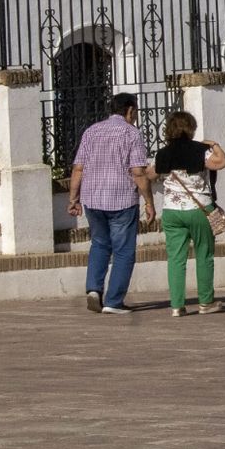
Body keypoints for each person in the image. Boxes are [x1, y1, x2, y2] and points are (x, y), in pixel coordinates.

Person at [67, 92, 154, 314]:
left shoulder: (91, 131)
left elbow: (78, 168)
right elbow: (138, 172)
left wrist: (73, 199)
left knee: (99, 244)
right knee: (124, 251)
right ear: (130, 110)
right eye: (135, 111)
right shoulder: (131, 133)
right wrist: (148, 202)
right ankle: (114, 301)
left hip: (93, 198)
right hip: (122, 199)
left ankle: (94, 289)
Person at [152, 110, 225, 317]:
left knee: (176, 258)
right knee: (204, 255)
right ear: (191, 128)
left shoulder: (163, 153)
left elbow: (150, 173)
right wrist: (214, 145)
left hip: (171, 210)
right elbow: (221, 162)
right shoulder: (200, 150)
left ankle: (177, 305)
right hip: (199, 209)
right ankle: (205, 302)